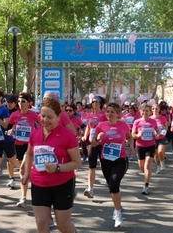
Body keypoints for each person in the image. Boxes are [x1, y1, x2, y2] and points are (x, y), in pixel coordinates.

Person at [20, 98, 81, 233]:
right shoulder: (35, 134)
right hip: (39, 184)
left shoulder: (67, 136)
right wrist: (26, 173)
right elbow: (30, 153)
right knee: (41, 224)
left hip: (63, 184)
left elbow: (77, 163)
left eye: (50, 117)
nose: (45, 120)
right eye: (42, 116)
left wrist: (57, 167)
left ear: (59, 117)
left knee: (63, 226)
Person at [91, 102, 133, 227]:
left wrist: (131, 145)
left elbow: (129, 136)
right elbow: (93, 144)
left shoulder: (123, 125)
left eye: (112, 112)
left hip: (120, 160)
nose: (109, 114)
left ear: (118, 114)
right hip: (105, 160)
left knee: (114, 184)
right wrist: (97, 138)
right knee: (111, 187)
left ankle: (118, 212)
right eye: (107, 111)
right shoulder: (101, 125)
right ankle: (117, 206)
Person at [7, 92, 40, 208]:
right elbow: (8, 126)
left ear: (29, 103)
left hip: (30, 145)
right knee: (23, 172)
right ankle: (24, 197)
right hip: (18, 144)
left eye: (23, 101)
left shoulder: (34, 115)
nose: (20, 104)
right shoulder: (15, 115)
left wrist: (36, 135)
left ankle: (27, 195)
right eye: (19, 102)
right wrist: (10, 130)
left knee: (22, 169)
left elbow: (42, 127)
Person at [81, 96, 107, 198]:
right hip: (93, 143)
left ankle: (111, 184)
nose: (94, 103)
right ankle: (90, 188)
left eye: (97, 102)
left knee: (105, 166)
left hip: (103, 143)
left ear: (100, 104)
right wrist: (85, 136)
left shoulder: (104, 115)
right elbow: (88, 126)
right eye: (93, 102)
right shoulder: (90, 115)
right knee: (91, 166)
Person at [132, 102, 159, 195]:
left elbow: (157, 132)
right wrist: (138, 135)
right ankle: (147, 175)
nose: (145, 113)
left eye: (147, 111)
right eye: (143, 111)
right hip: (140, 146)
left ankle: (146, 186)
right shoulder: (137, 122)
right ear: (140, 112)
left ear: (150, 112)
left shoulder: (153, 121)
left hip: (150, 145)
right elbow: (133, 134)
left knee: (147, 166)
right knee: (142, 167)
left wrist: (156, 135)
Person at [150, 104, 169, 174]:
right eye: (153, 108)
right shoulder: (150, 118)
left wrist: (163, 133)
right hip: (153, 138)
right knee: (156, 154)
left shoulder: (162, 118)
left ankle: (162, 162)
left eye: (156, 108)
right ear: (152, 110)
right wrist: (154, 133)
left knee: (160, 152)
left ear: (159, 110)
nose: (155, 110)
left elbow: (166, 126)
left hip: (161, 138)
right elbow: (149, 128)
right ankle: (158, 167)